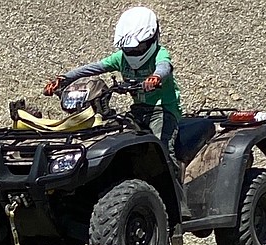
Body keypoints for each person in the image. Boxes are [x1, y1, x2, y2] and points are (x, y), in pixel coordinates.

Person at [43, 6, 182, 167]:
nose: (134, 51)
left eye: (139, 47)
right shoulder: (121, 58)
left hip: (163, 110)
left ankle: (174, 183)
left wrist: (156, 77)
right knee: (113, 134)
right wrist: (64, 78)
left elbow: (164, 66)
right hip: (138, 110)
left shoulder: (160, 53)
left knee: (162, 147)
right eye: (129, 48)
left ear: (152, 38)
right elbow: (93, 68)